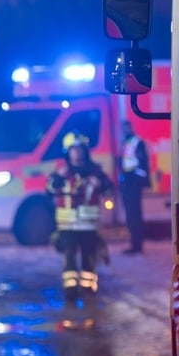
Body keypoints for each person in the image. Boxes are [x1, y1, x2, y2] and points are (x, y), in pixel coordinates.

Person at [46, 133, 112, 311]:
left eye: (80, 149)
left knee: (88, 258)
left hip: (88, 225)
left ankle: (88, 288)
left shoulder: (95, 171)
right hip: (67, 225)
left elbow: (109, 190)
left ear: (85, 151)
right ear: (68, 152)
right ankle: (70, 291)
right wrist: (59, 178)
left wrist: (99, 184)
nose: (77, 153)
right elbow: (49, 189)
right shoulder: (61, 171)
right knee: (69, 257)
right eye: (73, 150)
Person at [118, 120, 150, 254]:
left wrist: (137, 179)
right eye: (123, 128)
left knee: (134, 215)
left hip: (133, 182)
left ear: (130, 128)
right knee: (130, 215)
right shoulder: (126, 142)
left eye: (126, 128)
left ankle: (137, 246)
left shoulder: (137, 142)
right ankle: (134, 244)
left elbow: (142, 164)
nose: (124, 130)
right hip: (127, 181)